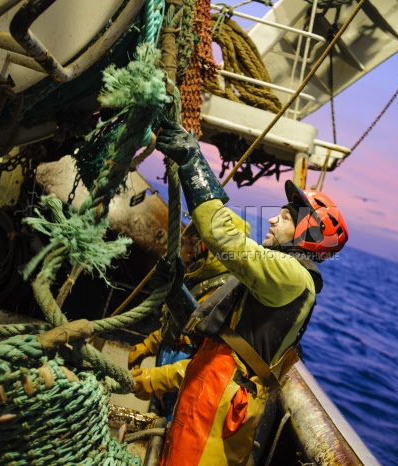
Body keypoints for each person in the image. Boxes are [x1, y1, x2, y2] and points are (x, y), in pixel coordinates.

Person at [132, 120, 348, 465]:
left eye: (285, 219)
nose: (273, 222)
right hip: (210, 384)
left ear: (308, 232)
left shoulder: (292, 276)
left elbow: (224, 238)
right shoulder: (281, 272)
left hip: (219, 397)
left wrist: (192, 162)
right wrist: (176, 292)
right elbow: (227, 331)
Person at [128, 215, 250, 416]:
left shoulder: (227, 298)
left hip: (184, 400)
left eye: (197, 240)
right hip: (168, 390)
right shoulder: (200, 283)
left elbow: (209, 364)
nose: (190, 246)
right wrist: (149, 344)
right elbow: (180, 329)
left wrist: (157, 379)